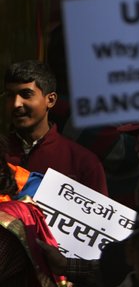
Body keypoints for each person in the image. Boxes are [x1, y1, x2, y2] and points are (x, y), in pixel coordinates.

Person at [3, 61, 106, 194]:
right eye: (10, 95)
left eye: (26, 94)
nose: (16, 104)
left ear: (50, 100)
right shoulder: (3, 153)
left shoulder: (84, 162)